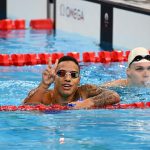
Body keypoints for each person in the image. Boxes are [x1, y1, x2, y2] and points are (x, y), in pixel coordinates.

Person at [23, 56, 120, 109]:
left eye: (73, 75)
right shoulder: (43, 95)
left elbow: (114, 95)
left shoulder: (85, 92)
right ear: (54, 77)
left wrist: (87, 103)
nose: (68, 78)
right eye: (61, 73)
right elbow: (26, 107)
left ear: (79, 80)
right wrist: (44, 85)